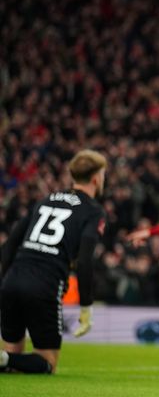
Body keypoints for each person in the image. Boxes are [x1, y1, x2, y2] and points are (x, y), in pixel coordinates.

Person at [0, 150, 107, 374]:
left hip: (13, 278)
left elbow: (10, 245)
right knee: (47, 362)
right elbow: (85, 261)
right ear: (97, 178)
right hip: (44, 283)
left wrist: (4, 281)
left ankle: (3, 359)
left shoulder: (45, 199)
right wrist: (86, 305)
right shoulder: (92, 211)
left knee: (10, 357)